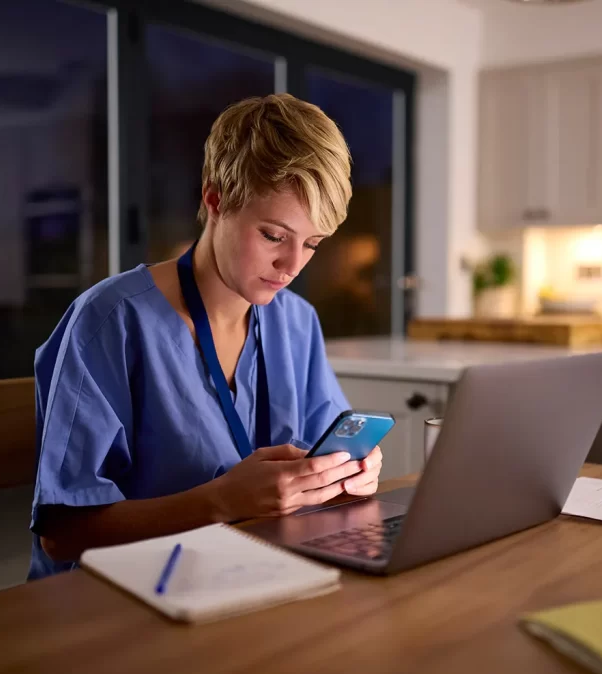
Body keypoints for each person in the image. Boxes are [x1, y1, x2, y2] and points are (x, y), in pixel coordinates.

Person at [28, 94, 382, 579]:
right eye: (274, 236)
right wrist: (219, 502)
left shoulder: (297, 323)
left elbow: (321, 457)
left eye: (313, 243)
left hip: (252, 578)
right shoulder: (111, 321)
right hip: (123, 596)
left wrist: (347, 475)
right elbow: (62, 533)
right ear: (215, 200)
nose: (292, 265)